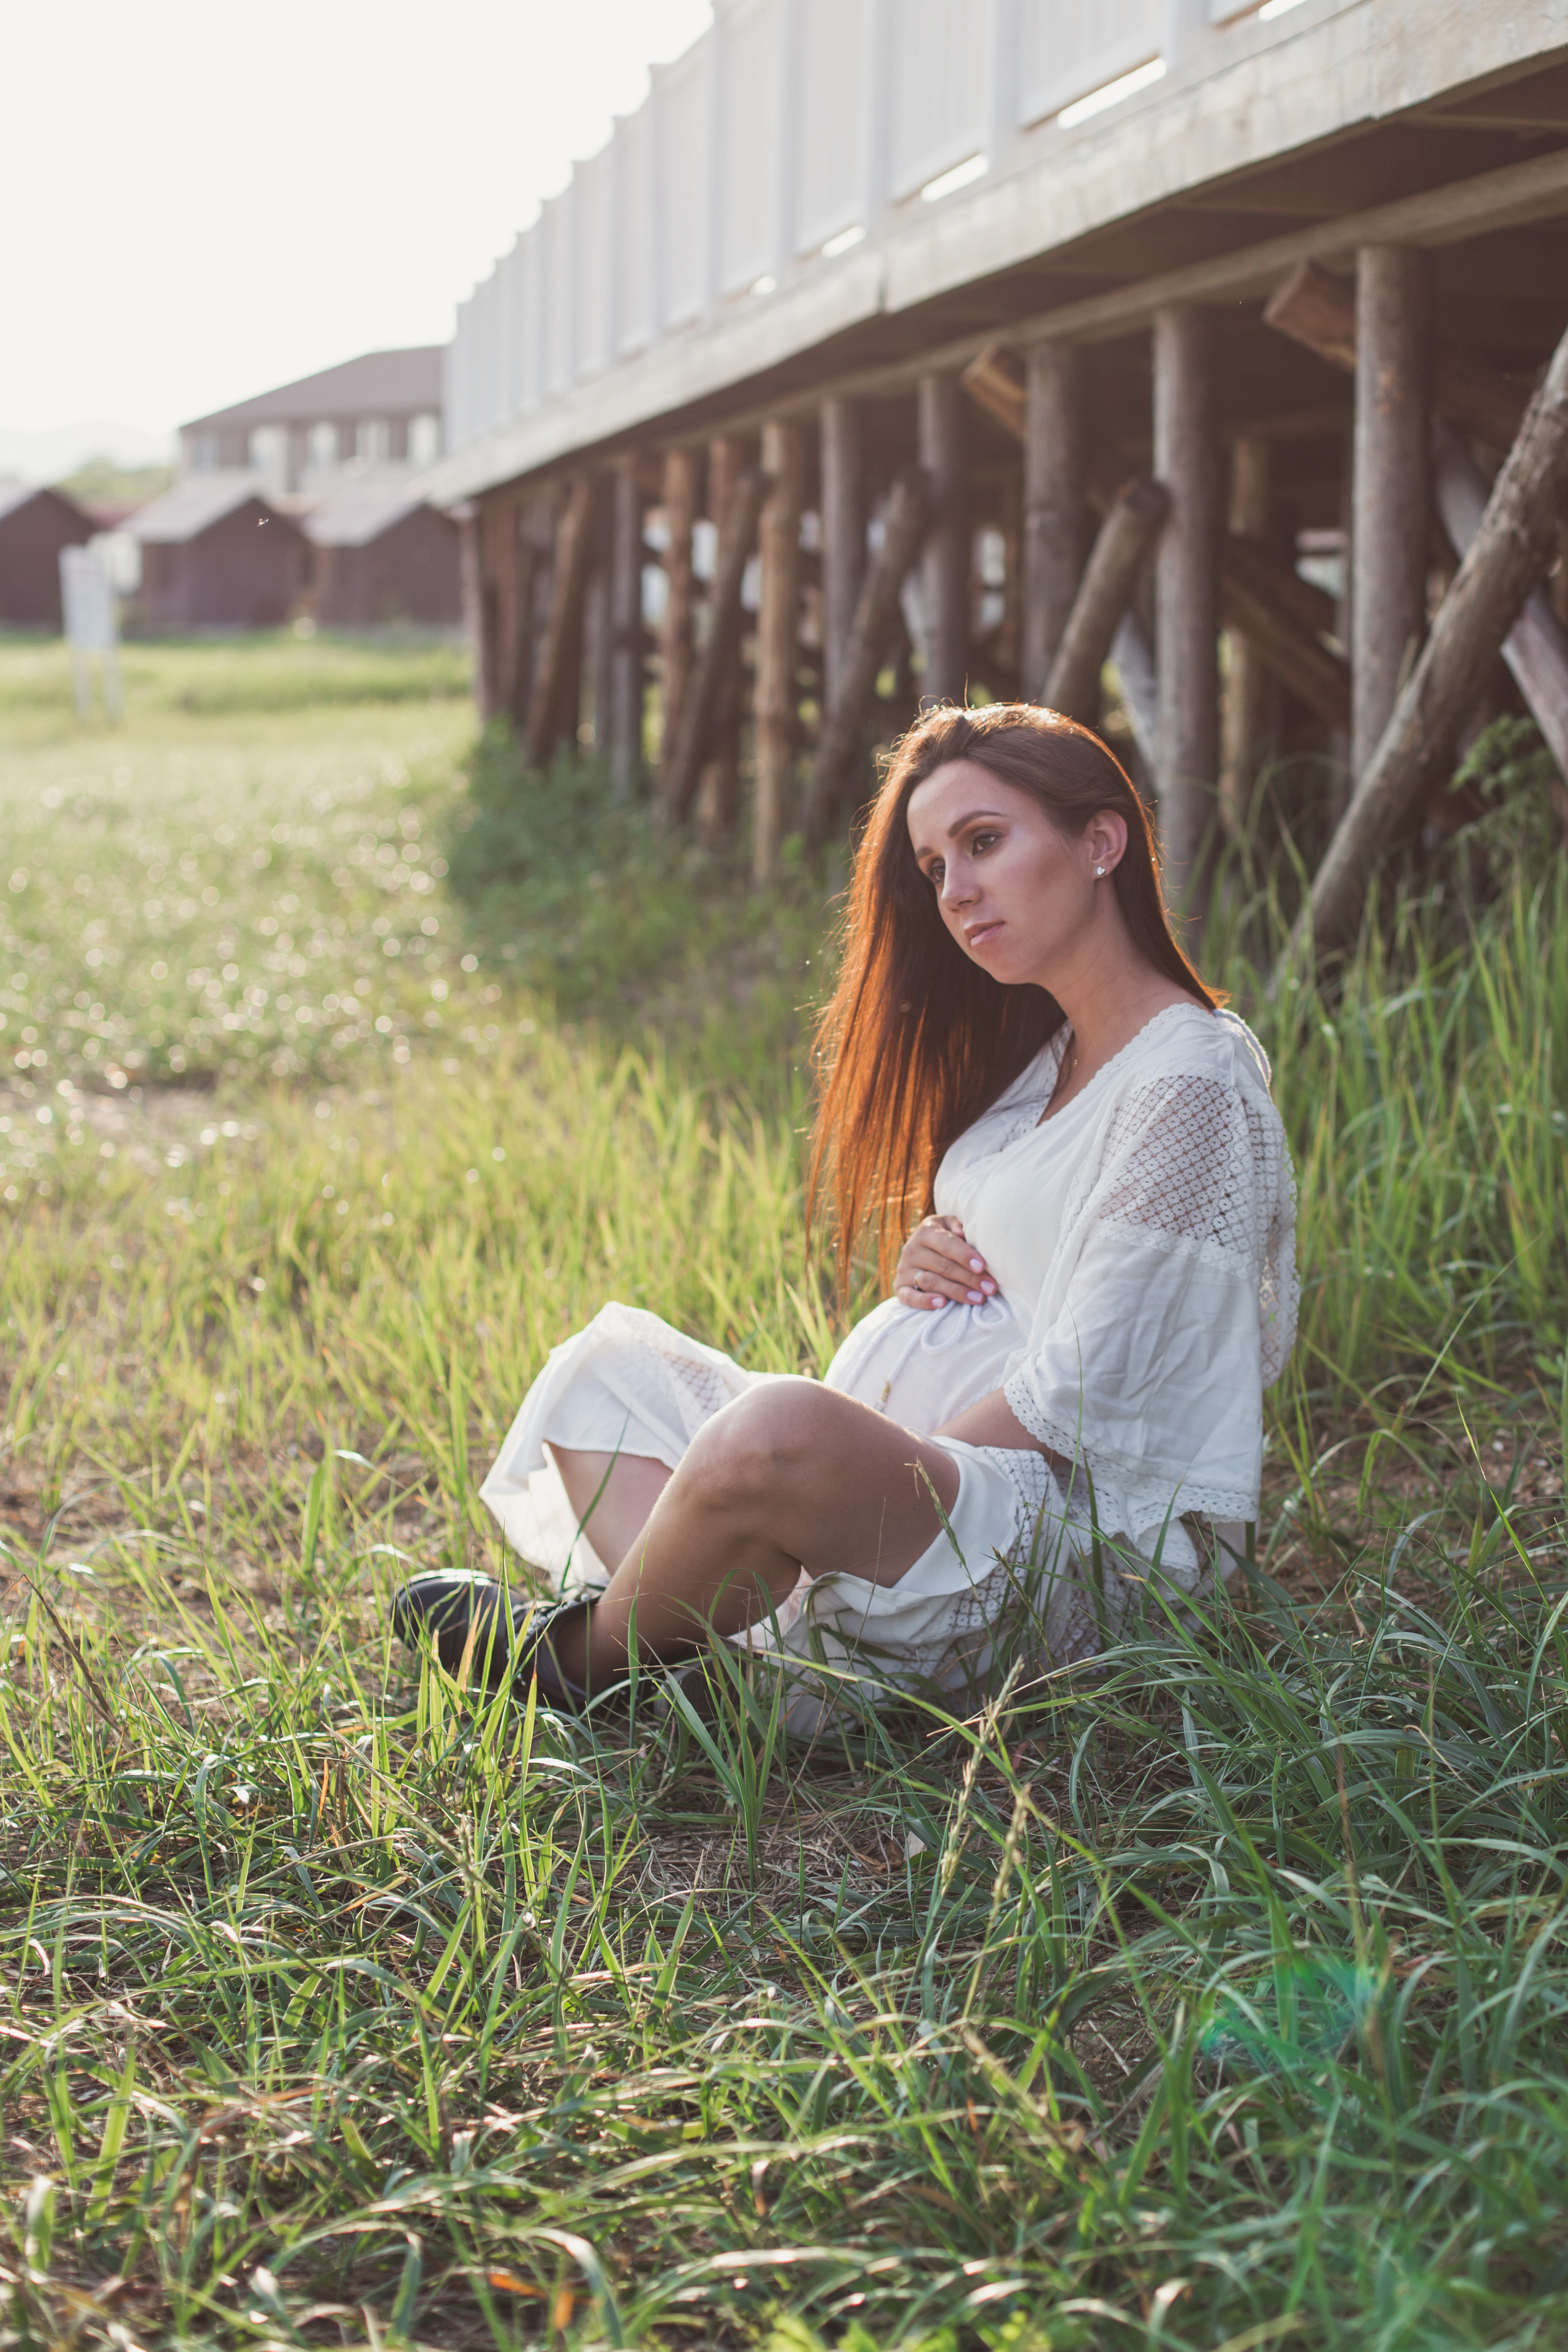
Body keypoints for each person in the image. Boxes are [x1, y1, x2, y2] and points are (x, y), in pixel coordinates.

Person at [391, 703, 1297, 1729]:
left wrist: (878, 1468)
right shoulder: (1050, 1055)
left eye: (983, 843)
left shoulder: (1189, 1078)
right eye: (935, 867)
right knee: (605, 1373)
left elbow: (1096, 1387)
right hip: (935, 1503)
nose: (956, 892)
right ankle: (720, 1675)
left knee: (778, 1429)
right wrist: (934, 1254)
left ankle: (583, 1659)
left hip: (1072, 1549)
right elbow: (1032, 1248)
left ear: (1101, 842)